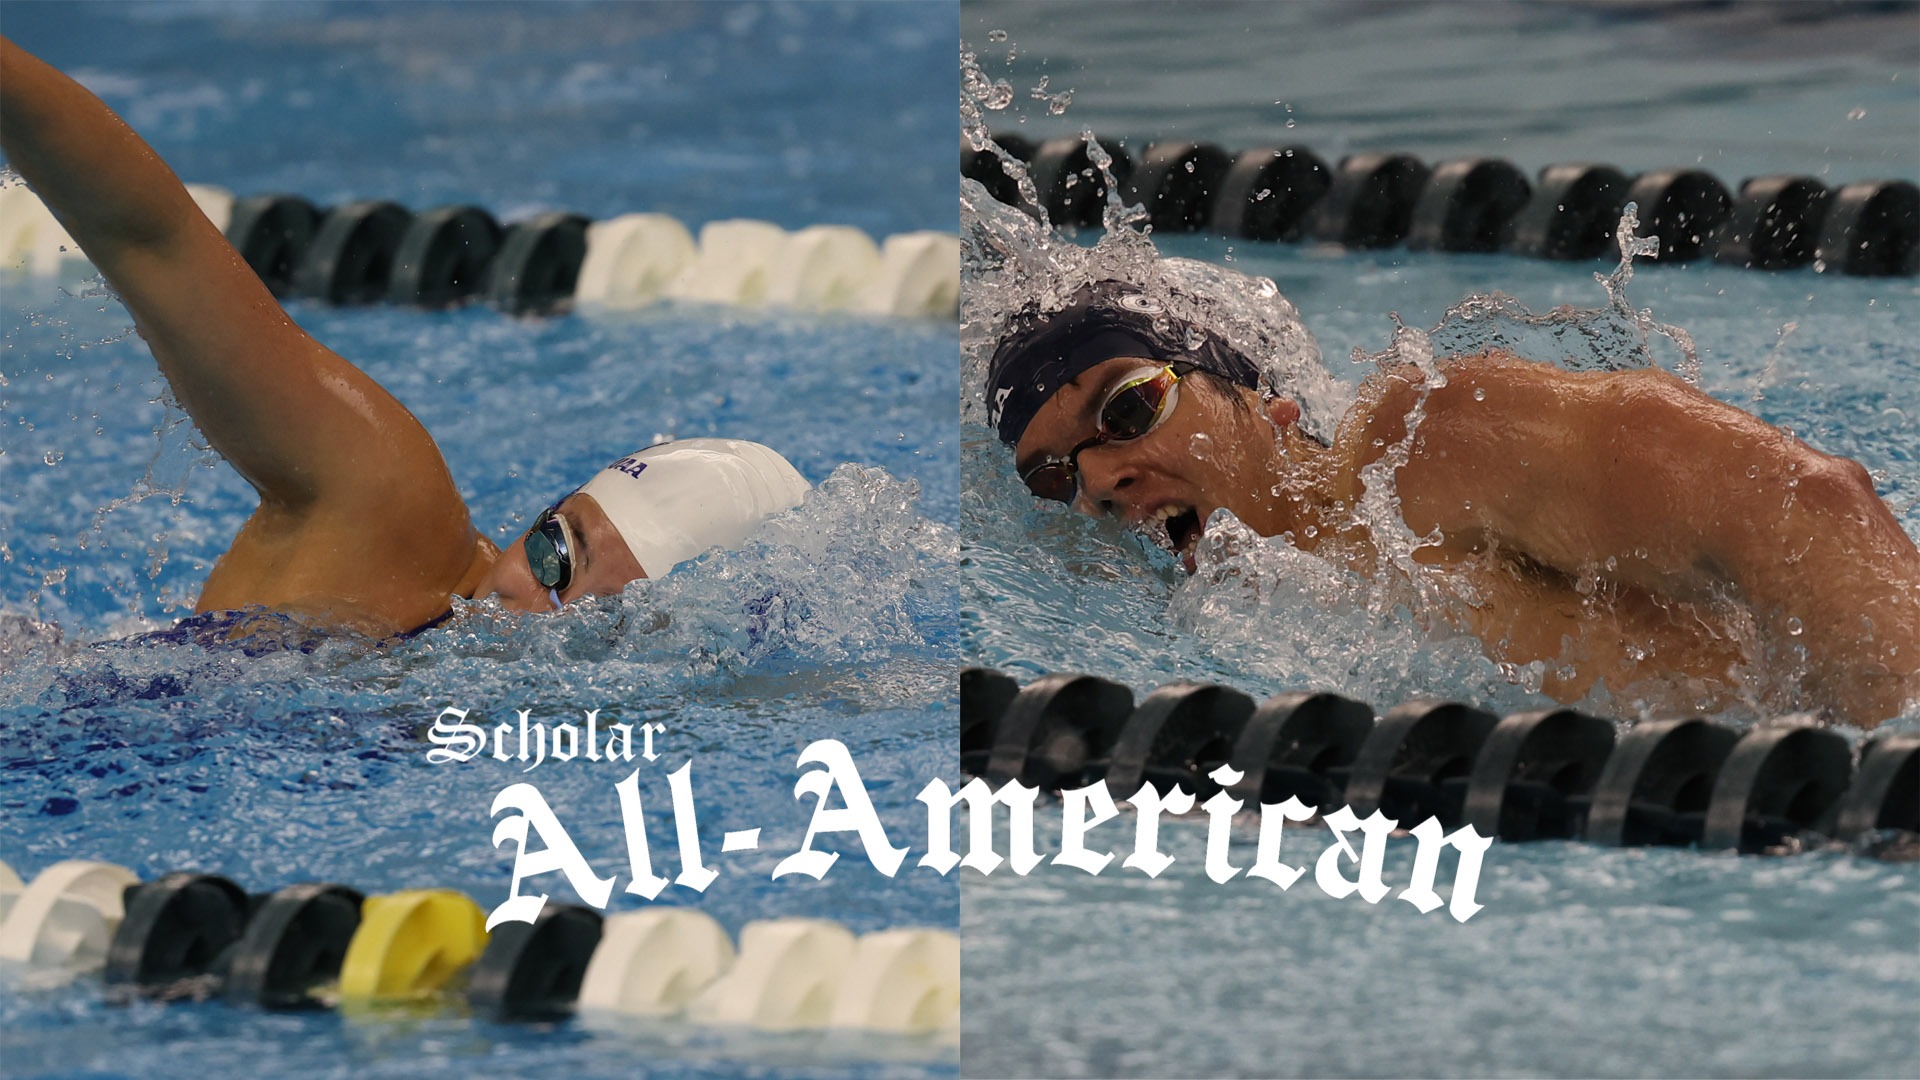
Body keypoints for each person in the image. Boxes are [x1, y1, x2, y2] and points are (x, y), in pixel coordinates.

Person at [0, 37, 808, 640]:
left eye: (606, 624)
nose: (532, 601)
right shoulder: (384, 507)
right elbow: (157, 242)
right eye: (556, 549)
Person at [987, 280, 1920, 728]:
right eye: (1053, 473)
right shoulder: (1212, 626)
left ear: (1258, 399)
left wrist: (1879, 768)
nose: (1099, 477)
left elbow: (1806, 507)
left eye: (1127, 406)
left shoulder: (1422, 446)